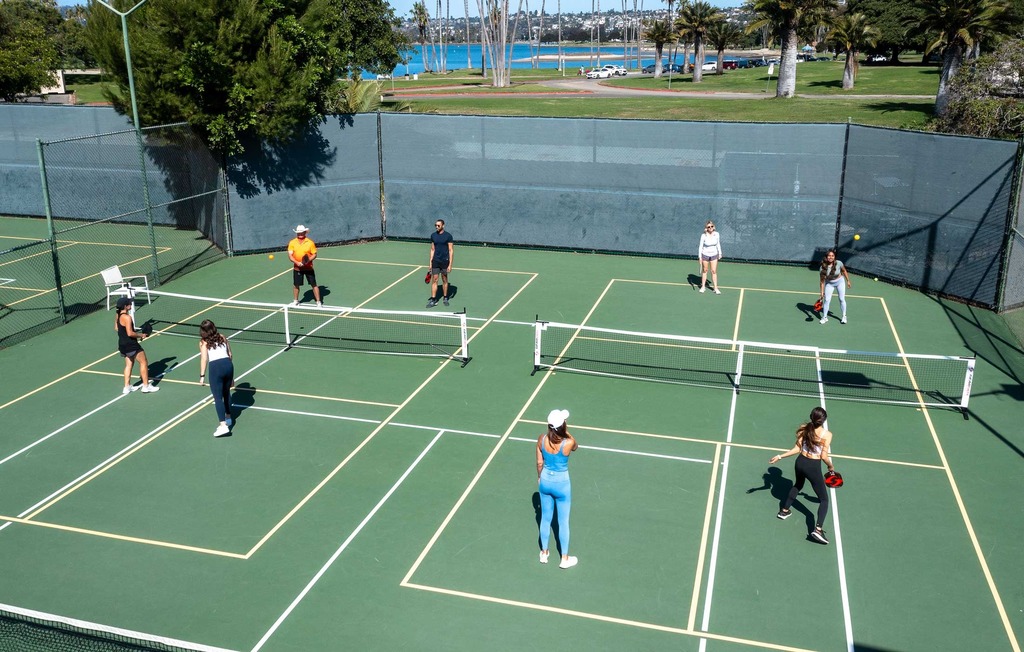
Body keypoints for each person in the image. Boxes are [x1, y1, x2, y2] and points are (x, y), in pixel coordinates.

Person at [769, 406, 835, 545]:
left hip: (800, 462)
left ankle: (784, 511)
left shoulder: (804, 428)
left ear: (811, 417)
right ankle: (818, 530)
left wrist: (780, 456)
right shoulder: (827, 435)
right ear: (823, 420)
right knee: (824, 499)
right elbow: (824, 456)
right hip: (813, 467)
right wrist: (830, 466)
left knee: (798, 484)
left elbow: (797, 449)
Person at [536, 408, 579, 569]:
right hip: (562, 485)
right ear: (563, 425)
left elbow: (539, 463)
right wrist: (565, 431)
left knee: (545, 518)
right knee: (563, 522)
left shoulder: (541, 439)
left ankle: (544, 553)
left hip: (545, 481)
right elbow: (576, 446)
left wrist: (540, 477)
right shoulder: (568, 443)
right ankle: (564, 558)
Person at [114, 296, 159, 394]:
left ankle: (127, 387)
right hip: (131, 345)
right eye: (129, 303)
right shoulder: (127, 317)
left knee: (129, 364)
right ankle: (146, 386)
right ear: (125, 306)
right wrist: (141, 335)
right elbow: (130, 333)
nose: (131, 304)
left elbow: (117, 328)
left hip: (122, 345)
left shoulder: (118, 315)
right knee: (143, 362)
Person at [198, 320, 234, 438]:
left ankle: (223, 426)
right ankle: (228, 418)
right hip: (228, 365)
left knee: (218, 397)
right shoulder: (222, 337)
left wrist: (202, 376)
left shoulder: (203, 342)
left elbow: (204, 359)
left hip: (216, 368)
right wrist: (231, 377)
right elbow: (230, 354)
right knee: (226, 392)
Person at [288, 225, 322, 307]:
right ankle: (296, 301)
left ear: (305, 232)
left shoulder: (310, 242)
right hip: (297, 268)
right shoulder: (292, 242)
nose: (300, 234)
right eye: (298, 233)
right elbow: (290, 255)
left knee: (314, 284)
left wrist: (307, 261)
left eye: (301, 232)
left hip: (308, 268)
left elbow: (314, 254)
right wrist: (297, 262)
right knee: (296, 285)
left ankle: (318, 302)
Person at [818, 249, 851, 324]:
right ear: (826, 257)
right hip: (829, 284)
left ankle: (844, 316)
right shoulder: (822, 268)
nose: (831, 257)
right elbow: (822, 281)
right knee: (827, 300)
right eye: (829, 256)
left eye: (832, 256)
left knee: (841, 299)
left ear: (834, 257)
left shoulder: (839, 263)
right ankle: (825, 317)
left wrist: (848, 280)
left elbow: (844, 271)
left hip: (840, 282)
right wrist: (821, 293)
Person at [427, 219, 454, 308]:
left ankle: (445, 297)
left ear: (443, 225)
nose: (436, 227)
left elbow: (451, 250)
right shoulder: (433, 236)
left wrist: (450, 264)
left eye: (438, 225)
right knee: (434, 279)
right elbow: (432, 249)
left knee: (444, 279)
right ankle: (433, 299)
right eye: (435, 225)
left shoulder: (448, 236)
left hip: (444, 261)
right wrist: (430, 262)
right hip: (436, 261)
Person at [697, 220, 723, 294]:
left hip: (714, 255)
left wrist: (720, 253)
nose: (710, 228)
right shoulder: (703, 235)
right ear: (706, 228)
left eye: (712, 226)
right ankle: (703, 287)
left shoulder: (717, 234)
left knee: (713, 271)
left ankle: (715, 288)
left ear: (713, 227)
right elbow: (700, 246)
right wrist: (700, 257)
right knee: (705, 270)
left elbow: (718, 244)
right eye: (708, 227)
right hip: (705, 255)